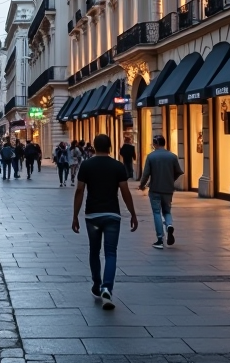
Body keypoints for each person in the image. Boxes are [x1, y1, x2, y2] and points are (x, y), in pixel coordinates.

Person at [72, 133, 138, 310]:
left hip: (92, 215)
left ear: (94, 146)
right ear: (110, 147)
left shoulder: (86, 165)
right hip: (112, 215)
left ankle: (96, 283)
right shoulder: (117, 166)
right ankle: (107, 287)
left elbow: (79, 191)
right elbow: (125, 192)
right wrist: (133, 213)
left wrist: (75, 216)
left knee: (94, 251)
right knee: (111, 253)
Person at [138, 134, 183, 250]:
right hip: (168, 189)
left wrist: (142, 185)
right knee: (167, 210)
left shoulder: (151, 157)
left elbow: (146, 174)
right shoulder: (172, 156)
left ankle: (159, 239)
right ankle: (169, 225)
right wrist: (170, 179)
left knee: (157, 212)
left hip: (155, 189)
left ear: (155, 144)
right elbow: (178, 171)